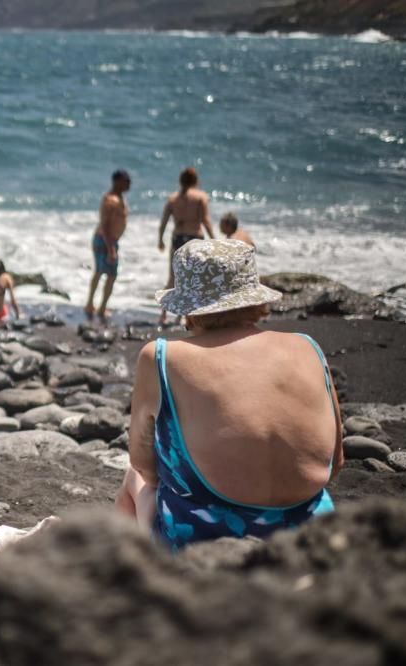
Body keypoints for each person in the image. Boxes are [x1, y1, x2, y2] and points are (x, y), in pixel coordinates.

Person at [115, 239, 343, 550]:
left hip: (210, 546)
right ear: (257, 301)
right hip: (312, 539)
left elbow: (144, 465)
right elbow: (336, 462)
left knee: (133, 479)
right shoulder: (308, 347)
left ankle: (138, 586)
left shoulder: (162, 357)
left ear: (188, 310)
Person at [158, 167, 215, 324]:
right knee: (193, 278)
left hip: (177, 238)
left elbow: (163, 222)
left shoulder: (173, 199)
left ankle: (163, 315)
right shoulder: (200, 197)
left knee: (173, 277)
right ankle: (183, 316)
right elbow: (206, 220)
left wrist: (160, 239)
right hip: (194, 239)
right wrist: (214, 239)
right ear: (196, 181)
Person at [84, 169, 130, 321]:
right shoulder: (110, 200)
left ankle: (96, 305)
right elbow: (105, 226)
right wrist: (111, 249)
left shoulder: (119, 198)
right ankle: (95, 306)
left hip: (109, 240)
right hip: (105, 240)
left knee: (104, 273)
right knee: (108, 274)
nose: (128, 183)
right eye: (125, 180)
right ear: (116, 181)